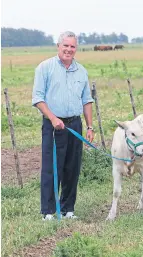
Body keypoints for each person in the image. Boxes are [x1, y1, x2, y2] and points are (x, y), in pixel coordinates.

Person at [32, 31, 95, 220]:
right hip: (54, 125)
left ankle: (68, 210)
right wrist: (52, 118)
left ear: (76, 49)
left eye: (72, 46)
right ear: (58, 46)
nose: (69, 49)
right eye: (65, 45)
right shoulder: (45, 68)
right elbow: (38, 99)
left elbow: (87, 100)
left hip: (74, 124)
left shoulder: (81, 71)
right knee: (52, 168)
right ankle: (48, 212)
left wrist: (90, 127)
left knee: (72, 167)